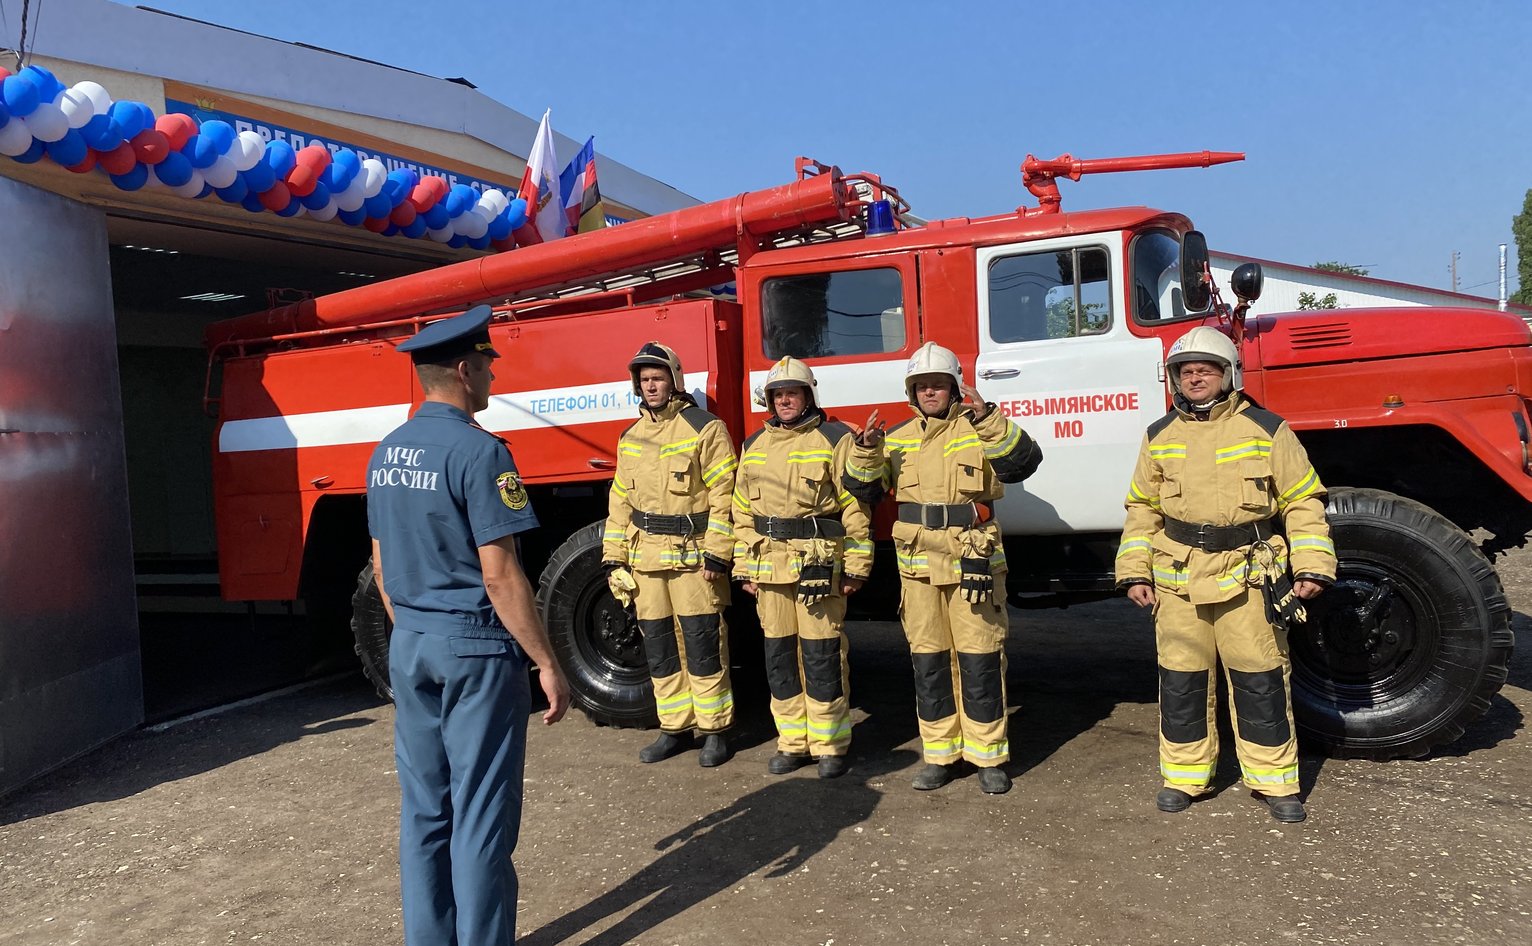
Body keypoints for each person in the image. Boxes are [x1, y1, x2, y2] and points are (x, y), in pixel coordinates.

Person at [365, 304, 572, 946]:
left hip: (410, 643)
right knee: (481, 814)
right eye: (486, 365)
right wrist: (546, 662)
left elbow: (381, 563)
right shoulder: (482, 453)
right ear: (463, 370)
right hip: (474, 649)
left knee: (426, 809)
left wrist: (414, 630)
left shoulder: (386, 452)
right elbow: (500, 575)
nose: (492, 376)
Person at [1114, 325, 1335, 824]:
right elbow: (1142, 509)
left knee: (1261, 678)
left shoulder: (1268, 429)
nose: (1195, 378)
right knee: (1182, 680)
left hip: (1248, 575)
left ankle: (1275, 781)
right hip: (1178, 579)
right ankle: (1184, 777)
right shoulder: (1158, 435)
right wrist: (1134, 572)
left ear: (1229, 374)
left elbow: (1303, 500)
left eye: (1206, 370)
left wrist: (1313, 564)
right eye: (1185, 372)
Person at [843, 341, 1042, 794]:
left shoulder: (980, 428)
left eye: (938, 384)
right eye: (922, 386)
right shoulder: (896, 438)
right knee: (929, 661)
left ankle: (987, 756)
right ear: (911, 393)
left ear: (954, 388)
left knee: (980, 659)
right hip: (918, 570)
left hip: (973, 563)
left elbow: (1023, 464)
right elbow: (864, 492)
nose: (930, 392)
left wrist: (988, 419)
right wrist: (867, 451)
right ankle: (941, 755)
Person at [732, 357, 874, 779]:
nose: (785, 400)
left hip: (818, 566)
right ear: (769, 400)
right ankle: (792, 742)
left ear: (808, 395)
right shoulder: (753, 444)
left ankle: (830, 744)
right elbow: (740, 512)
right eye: (778, 394)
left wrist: (857, 566)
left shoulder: (834, 438)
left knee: (822, 654)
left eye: (792, 392)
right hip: (769, 568)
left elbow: (854, 507)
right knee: (779, 657)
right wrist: (745, 567)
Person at [602, 342, 738, 766]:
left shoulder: (705, 429)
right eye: (644, 380)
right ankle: (674, 727)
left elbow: (725, 494)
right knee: (659, 648)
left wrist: (718, 553)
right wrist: (614, 558)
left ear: (674, 381)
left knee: (702, 643)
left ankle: (715, 730)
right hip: (646, 561)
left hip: (693, 558)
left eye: (657, 378)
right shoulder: (630, 436)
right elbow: (620, 501)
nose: (650, 386)